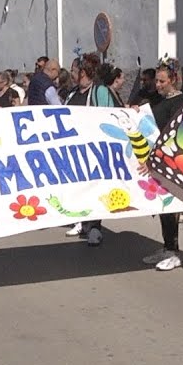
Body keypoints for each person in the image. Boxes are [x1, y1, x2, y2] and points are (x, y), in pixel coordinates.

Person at [138, 61, 183, 271]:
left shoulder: (181, 102)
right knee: (162, 207)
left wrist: (155, 159)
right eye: (157, 81)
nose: (157, 85)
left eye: (162, 81)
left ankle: (174, 251)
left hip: (172, 162)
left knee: (171, 207)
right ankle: (167, 246)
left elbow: (173, 135)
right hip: (158, 161)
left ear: (173, 80)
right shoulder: (159, 100)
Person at [70, 61, 119, 246]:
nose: (71, 74)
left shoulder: (100, 92)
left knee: (95, 187)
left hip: (94, 148)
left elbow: (108, 115)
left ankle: (96, 227)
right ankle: (83, 222)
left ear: (84, 73)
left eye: (74, 71)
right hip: (75, 148)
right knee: (80, 187)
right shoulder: (72, 93)